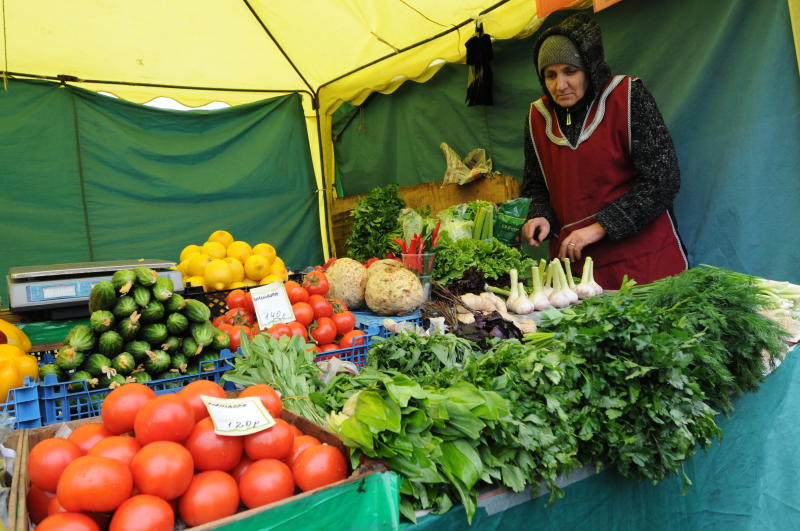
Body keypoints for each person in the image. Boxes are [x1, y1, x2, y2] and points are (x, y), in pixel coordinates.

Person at [521, 13, 687, 289]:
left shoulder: (627, 97)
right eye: (550, 75)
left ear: (589, 68)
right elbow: (536, 185)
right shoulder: (538, 117)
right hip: (577, 269)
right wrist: (539, 213)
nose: (559, 85)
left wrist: (601, 227)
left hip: (644, 261)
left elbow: (662, 180)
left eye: (570, 72)